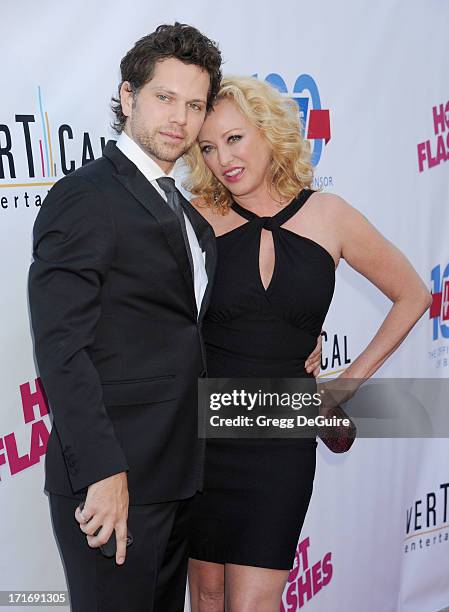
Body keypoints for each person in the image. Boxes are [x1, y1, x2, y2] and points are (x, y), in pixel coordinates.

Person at [183, 76, 432, 612]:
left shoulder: (331, 215)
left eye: (234, 138)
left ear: (269, 134)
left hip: (282, 436)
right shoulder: (199, 220)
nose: (222, 157)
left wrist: (344, 384)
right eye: (207, 147)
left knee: (250, 605)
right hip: (204, 433)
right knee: (207, 598)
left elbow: (413, 293)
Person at [27, 23, 222, 612]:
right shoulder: (87, 195)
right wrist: (104, 473)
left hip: (177, 474)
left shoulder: (184, 210)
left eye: (194, 105)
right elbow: (62, 346)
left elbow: (181, 328)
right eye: (165, 98)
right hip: (116, 482)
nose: (180, 119)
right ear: (127, 96)